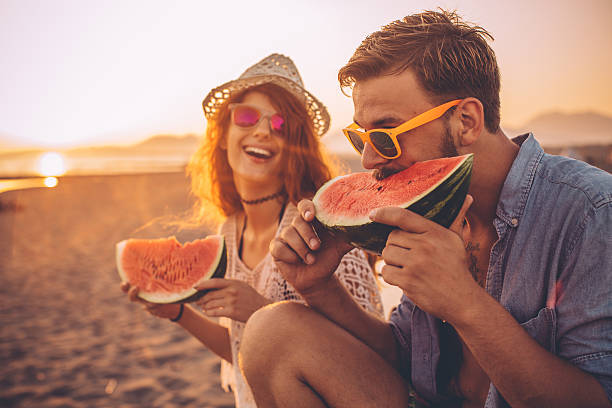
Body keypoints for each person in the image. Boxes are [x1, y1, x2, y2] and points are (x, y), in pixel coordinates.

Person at [239, 11, 612, 408]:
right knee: (271, 331)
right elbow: (404, 354)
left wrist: (463, 302)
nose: (367, 159)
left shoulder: (591, 213)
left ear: (466, 121)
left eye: (385, 134)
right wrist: (319, 287)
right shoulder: (432, 210)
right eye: (360, 137)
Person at [120, 53, 383, 408]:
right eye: (246, 117)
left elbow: (372, 366)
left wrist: (261, 311)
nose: (261, 130)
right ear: (223, 136)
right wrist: (179, 313)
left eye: (280, 125)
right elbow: (240, 348)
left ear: (295, 149)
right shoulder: (230, 229)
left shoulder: (319, 231)